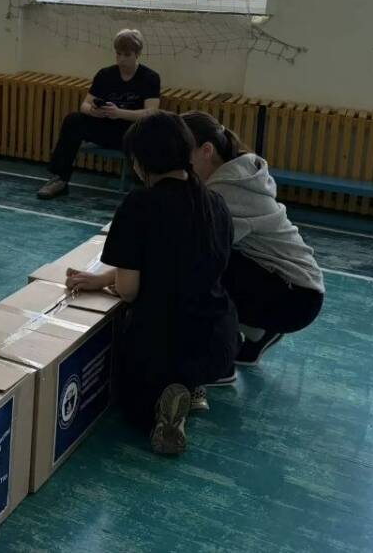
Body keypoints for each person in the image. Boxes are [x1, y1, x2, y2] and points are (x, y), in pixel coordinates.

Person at [65, 112, 239, 457]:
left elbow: (129, 289)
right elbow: (182, 264)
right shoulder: (215, 203)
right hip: (218, 340)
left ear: (141, 161)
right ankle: (191, 386)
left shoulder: (139, 204)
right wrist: (103, 279)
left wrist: (109, 284)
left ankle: (162, 408)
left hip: (164, 342)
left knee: (130, 400)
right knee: (183, 342)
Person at [182, 111, 325, 366]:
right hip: (297, 288)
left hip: (296, 297)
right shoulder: (233, 172)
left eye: (183, 155)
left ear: (206, 151)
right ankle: (257, 332)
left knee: (195, 268)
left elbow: (196, 247)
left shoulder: (226, 190)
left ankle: (219, 361)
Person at [37, 29, 160, 200]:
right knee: (73, 120)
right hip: (105, 126)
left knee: (151, 132)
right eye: (118, 54)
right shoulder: (105, 74)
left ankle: (143, 187)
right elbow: (85, 105)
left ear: (137, 54)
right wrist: (94, 111)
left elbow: (151, 113)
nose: (121, 59)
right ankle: (60, 179)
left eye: (127, 55)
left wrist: (119, 113)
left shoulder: (150, 77)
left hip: (130, 132)